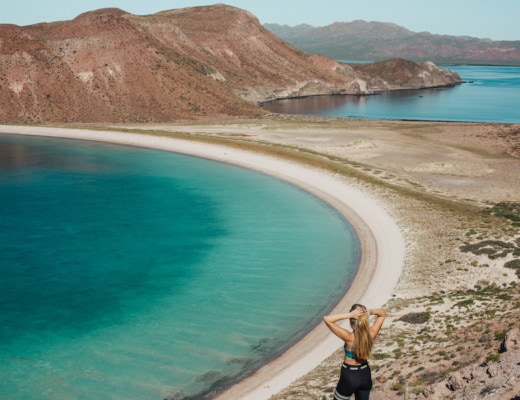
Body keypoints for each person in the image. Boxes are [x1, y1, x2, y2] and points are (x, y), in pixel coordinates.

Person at [323, 304, 387, 400]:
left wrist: (349, 315)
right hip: (365, 374)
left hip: (349, 375)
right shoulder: (372, 333)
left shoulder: (348, 337)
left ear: (351, 321)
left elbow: (327, 319)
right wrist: (370, 311)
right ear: (365, 320)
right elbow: (382, 314)